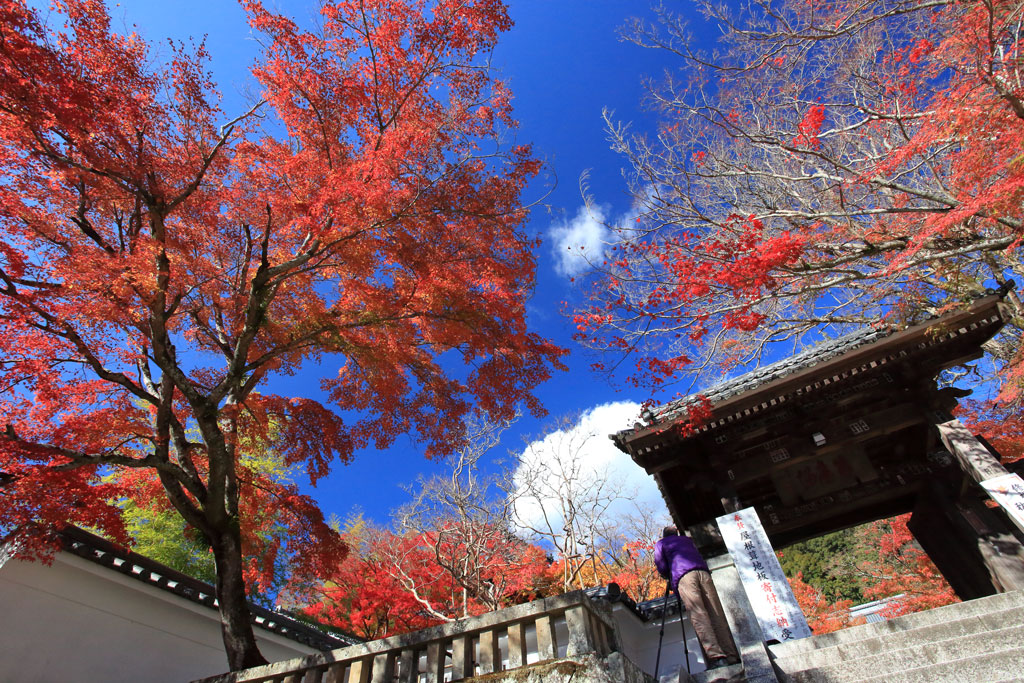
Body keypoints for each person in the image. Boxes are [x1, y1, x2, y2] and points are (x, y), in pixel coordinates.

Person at [654, 525, 740, 670]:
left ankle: (716, 656)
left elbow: (661, 564)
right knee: (715, 612)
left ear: (664, 535)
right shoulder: (687, 540)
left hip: (684, 576)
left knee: (698, 614)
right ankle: (731, 654)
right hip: (703, 572)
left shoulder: (661, 543)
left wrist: (666, 574)